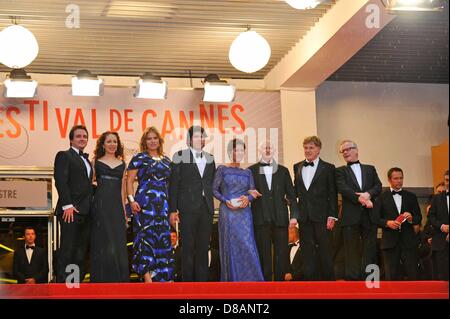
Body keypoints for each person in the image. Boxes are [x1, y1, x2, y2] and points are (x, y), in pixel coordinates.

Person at [169, 126, 216, 282]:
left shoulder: (210, 158)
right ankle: (188, 285)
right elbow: (174, 185)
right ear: (189, 139)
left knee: (203, 247)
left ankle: (202, 285)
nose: (200, 139)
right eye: (196, 136)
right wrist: (172, 210)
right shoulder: (179, 156)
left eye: (202, 136)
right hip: (187, 208)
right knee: (188, 247)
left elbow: (212, 184)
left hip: (206, 208)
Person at [213, 138, 264, 281]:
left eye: (242, 150)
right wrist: (225, 200)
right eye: (236, 150)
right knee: (231, 245)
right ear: (231, 151)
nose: (239, 152)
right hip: (228, 212)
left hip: (244, 213)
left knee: (248, 245)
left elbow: (252, 192)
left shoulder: (247, 172)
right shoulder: (222, 169)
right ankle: (233, 280)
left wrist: (249, 199)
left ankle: (253, 281)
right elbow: (214, 190)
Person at [126, 127, 173, 282]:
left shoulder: (167, 161)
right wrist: (131, 201)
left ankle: (162, 277)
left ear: (159, 141)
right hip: (144, 205)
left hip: (163, 207)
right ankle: (147, 277)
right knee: (145, 239)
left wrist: (173, 209)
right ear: (144, 142)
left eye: (155, 138)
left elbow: (170, 185)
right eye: (149, 138)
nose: (152, 141)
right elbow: (129, 181)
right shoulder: (139, 158)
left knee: (162, 239)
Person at [249, 141, 299, 281]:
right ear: (259, 150)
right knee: (263, 253)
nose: (267, 149)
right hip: (260, 218)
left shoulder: (283, 171)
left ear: (275, 150)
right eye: (265, 147)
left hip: (280, 218)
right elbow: (247, 194)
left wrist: (294, 216)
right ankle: (264, 286)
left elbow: (291, 195)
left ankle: (279, 285)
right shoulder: (251, 170)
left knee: (281, 253)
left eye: (270, 147)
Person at [335, 140, 382, 280]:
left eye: (348, 149)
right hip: (350, 216)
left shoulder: (370, 168)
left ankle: (370, 280)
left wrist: (368, 194)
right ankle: (353, 281)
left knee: (370, 249)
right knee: (351, 251)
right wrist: (361, 199)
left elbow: (378, 186)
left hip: (369, 215)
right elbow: (343, 188)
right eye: (343, 151)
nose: (345, 153)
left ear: (356, 150)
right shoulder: (339, 171)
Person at [293, 136, 337, 281]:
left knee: (325, 250)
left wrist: (332, 216)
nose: (308, 150)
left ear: (318, 149)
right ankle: (309, 284)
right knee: (307, 251)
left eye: (311, 147)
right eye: (306, 148)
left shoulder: (329, 168)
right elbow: (296, 191)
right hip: (304, 217)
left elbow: (332, 193)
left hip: (323, 217)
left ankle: (329, 284)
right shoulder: (297, 166)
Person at [54, 125, 93, 283]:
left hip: (86, 212)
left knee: (81, 251)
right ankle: (63, 285)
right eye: (78, 136)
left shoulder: (87, 161)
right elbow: (61, 181)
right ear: (71, 139)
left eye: (85, 136)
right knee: (68, 249)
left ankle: (74, 284)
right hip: (70, 211)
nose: (82, 138)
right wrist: (67, 205)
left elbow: (84, 186)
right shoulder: (64, 155)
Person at [90, 131, 129, 283]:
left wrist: (124, 212)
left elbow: (122, 190)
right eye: (109, 141)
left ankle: (119, 282)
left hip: (116, 208)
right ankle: (100, 281)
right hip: (100, 206)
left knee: (117, 242)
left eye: (115, 141)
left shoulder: (123, 164)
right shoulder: (95, 162)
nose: (112, 144)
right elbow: (90, 182)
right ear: (103, 144)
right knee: (101, 242)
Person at [372, 167, 422, 280]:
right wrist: (387, 223)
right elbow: (374, 218)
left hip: (408, 242)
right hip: (389, 242)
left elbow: (419, 217)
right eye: (396, 178)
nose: (399, 181)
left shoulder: (411, 196)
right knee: (391, 276)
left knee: (413, 274)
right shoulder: (381, 197)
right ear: (389, 180)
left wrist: (411, 219)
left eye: (401, 178)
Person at [428, 170, 449, 280]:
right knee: (443, 277)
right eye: (446, 180)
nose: (448, 183)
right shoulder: (436, 199)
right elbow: (431, 217)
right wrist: (441, 226)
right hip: (441, 243)